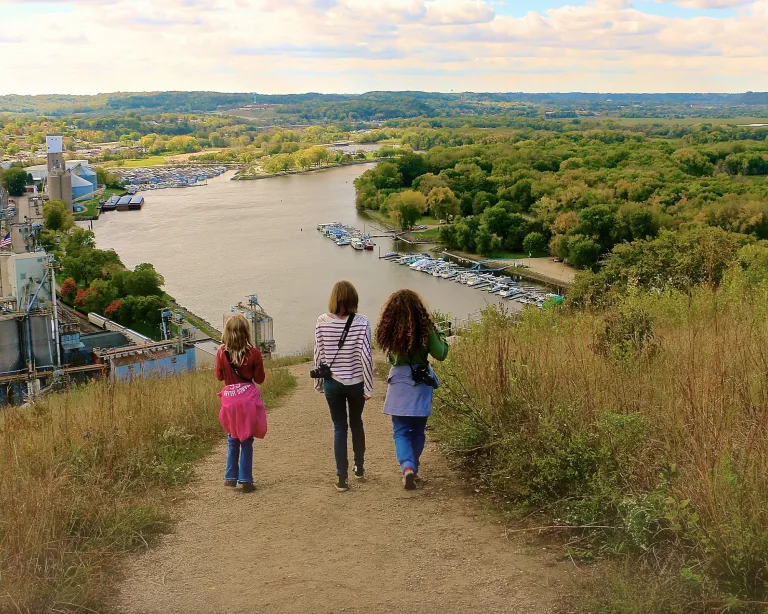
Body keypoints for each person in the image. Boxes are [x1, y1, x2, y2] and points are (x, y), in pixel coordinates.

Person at [375, 289, 449, 490]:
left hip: (398, 381)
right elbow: (441, 353)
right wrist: (439, 332)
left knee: (400, 431)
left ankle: (407, 467)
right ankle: (413, 469)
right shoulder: (425, 328)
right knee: (417, 431)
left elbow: (391, 357)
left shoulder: (389, 329)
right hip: (420, 382)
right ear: (419, 308)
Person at [314, 281, 373, 492]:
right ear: (353, 299)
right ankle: (359, 466)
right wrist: (369, 386)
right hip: (356, 383)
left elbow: (318, 354)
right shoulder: (362, 322)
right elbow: (365, 356)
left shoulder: (322, 321)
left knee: (339, 427)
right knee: (356, 422)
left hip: (332, 384)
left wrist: (318, 382)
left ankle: (341, 478)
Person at [215, 314, 266, 493]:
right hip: (247, 400)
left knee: (233, 437)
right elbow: (259, 378)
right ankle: (245, 479)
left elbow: (219, 376)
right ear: (246, 332)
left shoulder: (221, 352)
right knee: (246, 439)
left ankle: (230, 477)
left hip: (229, 399)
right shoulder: (254, 353)